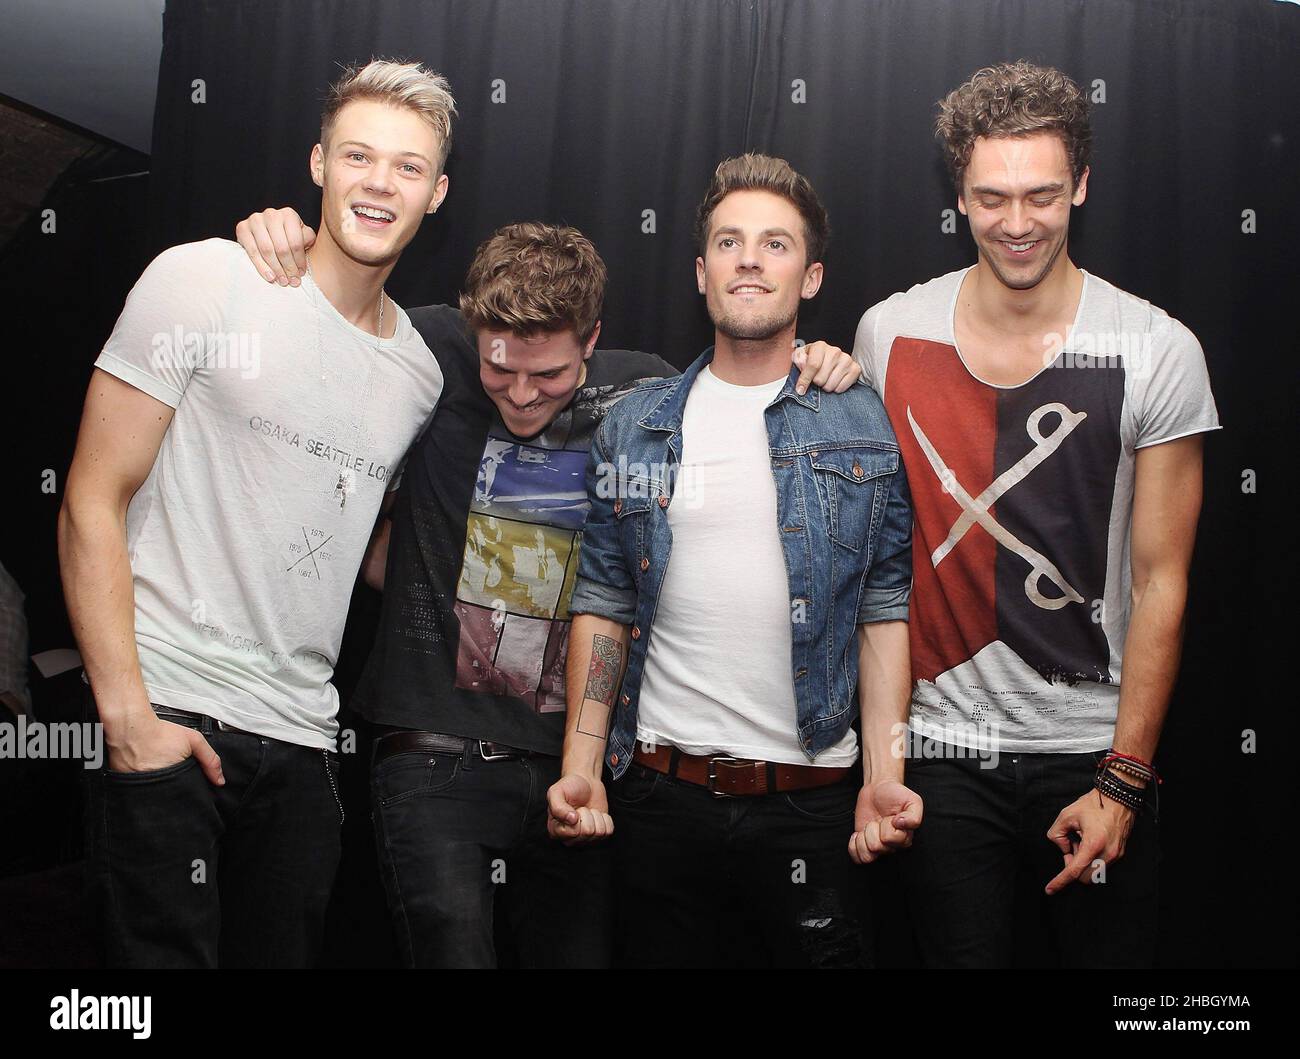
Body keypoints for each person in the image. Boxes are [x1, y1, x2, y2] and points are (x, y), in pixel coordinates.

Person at [233, 211, 862, 968]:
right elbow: (327, 306)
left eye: (550, 374)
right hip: (435, 755)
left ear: (592, 341)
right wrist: (280, 236)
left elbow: (753, 395)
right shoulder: (428, 346)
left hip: (581, 768)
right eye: (500, 369)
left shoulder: (649, 393)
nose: (523, 394)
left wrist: (817, 361)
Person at [58, 58, 454, 968]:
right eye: (359, 155)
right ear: (319, 165)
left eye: (406, 166)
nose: (379, 182)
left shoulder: (421, 376)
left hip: (305, 749)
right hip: (169, 710)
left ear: (437, 193)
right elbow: (91, 494)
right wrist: (126, 714)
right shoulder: (205, 280)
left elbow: (348, 532)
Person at [849, 60, 1220, 967]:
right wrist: (885, 764)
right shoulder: (889, 334)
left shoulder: (1155, 347)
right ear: (959, 196)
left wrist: (1124, 781)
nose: (1017, 224)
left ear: (1082, 187)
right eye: (991, 197)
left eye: (1043, 196)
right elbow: (876, 569)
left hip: (1092, 751)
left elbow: (1161, 579)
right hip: (943, 750)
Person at [547, 154, 919, 968]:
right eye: (729, 241)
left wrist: (882, 778)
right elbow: (604, 601)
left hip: (814, 809)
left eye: (775, 244)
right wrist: (583, 770)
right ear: (701, 271)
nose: (749, 258)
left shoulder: (858, 418)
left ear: (811, 276)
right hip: (659, 800)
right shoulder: (635, 425)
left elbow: (884, 608)